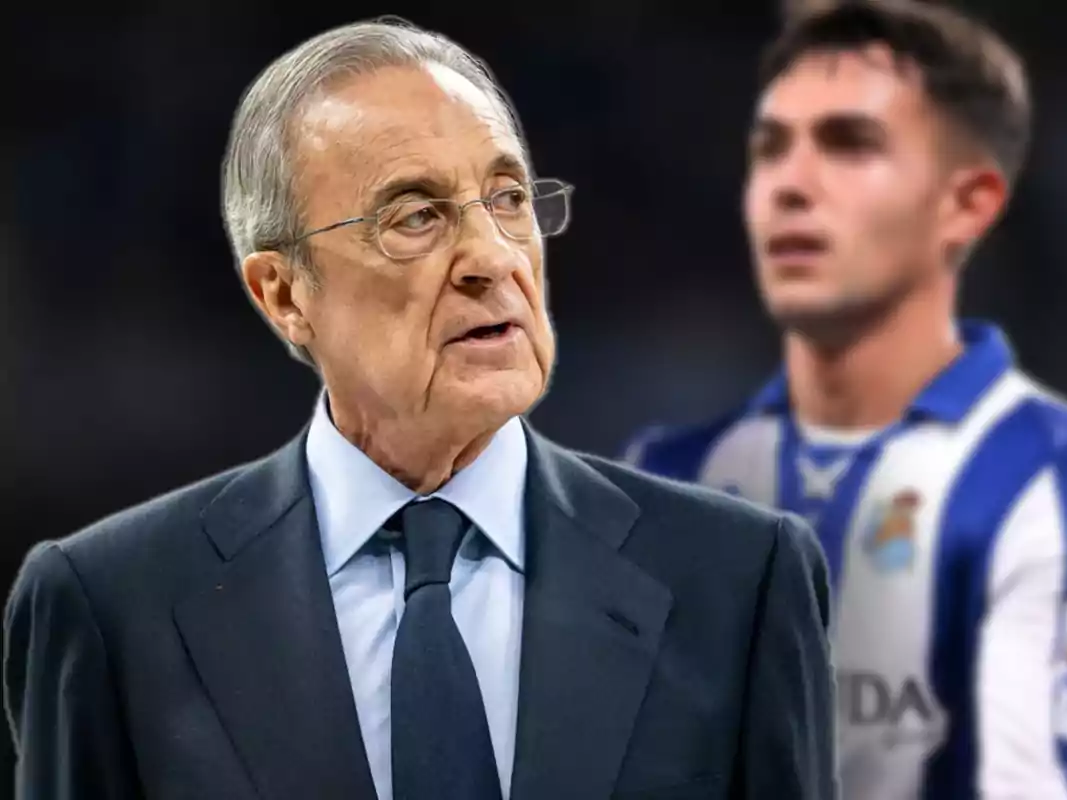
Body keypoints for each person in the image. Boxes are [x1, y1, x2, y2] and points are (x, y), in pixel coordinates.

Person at [2, 17, 839, 800]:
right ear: (284, 294)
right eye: (416, 217)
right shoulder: (112, 607)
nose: (490, 257)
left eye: (509, 198)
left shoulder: (739, 582)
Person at [622, 2, 1067, 798]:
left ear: (966, 203)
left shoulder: (1040, 488)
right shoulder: (660, 481)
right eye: (771, 148)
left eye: (849, 144)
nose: (791, 185)